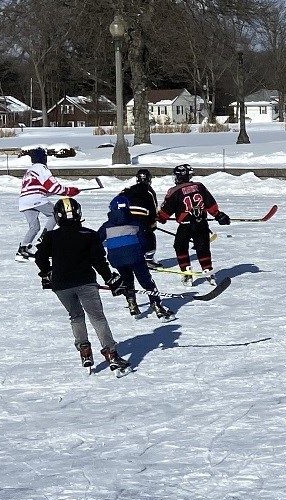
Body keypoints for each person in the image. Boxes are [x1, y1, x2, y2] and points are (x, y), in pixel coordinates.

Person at [34, 196, 130, 374]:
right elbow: (98, 261)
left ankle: (85, 351)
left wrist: (47, 273)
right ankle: (111, 353)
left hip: (61, 285)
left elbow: (39, 258)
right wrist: (111, 279)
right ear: (78, 214)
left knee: (76, 316)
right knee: (97, 318)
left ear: (57, 216)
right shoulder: (89, 235)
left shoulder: (51, 236)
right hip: (85, 282)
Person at [98, 194, 173, 319]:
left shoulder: (106, 226)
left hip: (116, 259)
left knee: (127, 279)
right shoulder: (136, 222)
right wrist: (142, 252)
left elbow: (96, 240)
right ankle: (156, 304)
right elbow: (144, 240)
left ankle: (132, 303)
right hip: (136, 257)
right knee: (146, 280)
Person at [157, 163, 230, 283]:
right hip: (201, 223)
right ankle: (208, 270)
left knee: (180, 246)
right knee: (203, 248)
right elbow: (210, 203)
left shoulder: (174, 191)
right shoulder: (199, 186)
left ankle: (186, 272)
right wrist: (218, 215)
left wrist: (160, 218)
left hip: (186, 225)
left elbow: (166, 211)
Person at [17, 146, 80, 262]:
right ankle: (44, 240)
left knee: (34, 227)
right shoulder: (41, 168)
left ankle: (23, 250)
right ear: (43, 158)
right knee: (56, 214)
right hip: (35, 199)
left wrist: (66, 191)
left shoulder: (29, 170)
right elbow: (53, 186)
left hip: (24, 201)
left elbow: (43, 189)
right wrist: (69, 191)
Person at [122, 169, 160, 266]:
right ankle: (149, 260)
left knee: (131, 237)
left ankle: (130, 258)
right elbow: (153, 208)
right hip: (143, 220)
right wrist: (153, 223)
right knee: (149, 237)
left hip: (127, 218)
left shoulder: (128, 189)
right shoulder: (149, 191)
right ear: (149, 179)